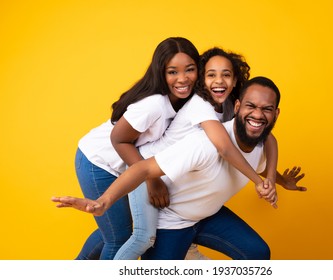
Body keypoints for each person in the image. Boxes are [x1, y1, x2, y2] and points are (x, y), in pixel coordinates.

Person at [52, 76, 306, 259]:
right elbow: (143, 170)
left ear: (276, 114)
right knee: (118, 238)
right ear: (238, 107)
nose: (258, 115)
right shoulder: (204, 144)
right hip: (170, 220)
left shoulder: (262, 142)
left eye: (267, 109)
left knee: (257, 253)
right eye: (251, 106)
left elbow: (263, 159)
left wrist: (281, 181)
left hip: (208, 215)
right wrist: (104, 201)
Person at [111, 47, 278, 260]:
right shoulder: (201, 107)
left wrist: (273, 178)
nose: (219, 80)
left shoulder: (229, 106)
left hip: (192, 199)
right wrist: (258, 181)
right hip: (147, 169)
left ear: (235, 80)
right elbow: (225, 148)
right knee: (136, 236)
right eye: (211, 75)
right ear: (201, 79)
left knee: (257, 251)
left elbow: (269, 138)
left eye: (226, 74)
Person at [71, 37, 200, 260]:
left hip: (123, 163)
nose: (182, 79)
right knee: (118, 238)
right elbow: (118, 139)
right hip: (98, 163)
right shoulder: (154, 104)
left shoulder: (185, 102)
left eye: (189, 70)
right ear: (161, 73)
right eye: (172, 72)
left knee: (111, 229)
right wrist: (152, 179)